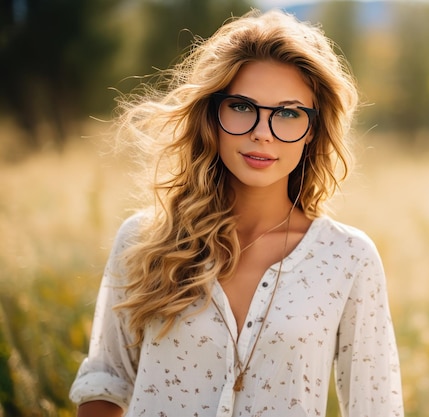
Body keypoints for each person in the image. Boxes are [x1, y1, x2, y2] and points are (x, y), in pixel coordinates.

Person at [70, 8, 404, 417]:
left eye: (287, 113)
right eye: (243, 107)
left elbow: (376, 408)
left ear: (312, 128)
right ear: (214, 113)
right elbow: (105, 383)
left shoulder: (347, 259)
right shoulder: (144, 240)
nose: (262, 132)